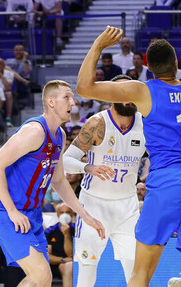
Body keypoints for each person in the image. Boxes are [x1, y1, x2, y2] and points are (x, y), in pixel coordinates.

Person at [77, 23, 181, 287]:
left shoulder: (143, 90)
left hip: (169, 180)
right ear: (176, 62)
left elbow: (84, 87)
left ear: (148, 67)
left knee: (140, 274)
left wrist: (98, 45)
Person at [0, 80, 104, 287]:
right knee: (40, 275)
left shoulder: (60, 135)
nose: (73, 102)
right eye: (67, 97)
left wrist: (85, 215)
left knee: (43, 279)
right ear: (50, 101)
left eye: (72, 97)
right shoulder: (34, 131)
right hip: (9, 213)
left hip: (32, 214)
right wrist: (12, 211)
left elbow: (58, 181)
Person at [61, 74, 145, 285]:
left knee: (135, 269)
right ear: (110, 95)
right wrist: (88, 167)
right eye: (121, 91)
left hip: (128, 206)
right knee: (87, 269)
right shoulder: (97, 123)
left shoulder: (145, 124)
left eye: (131, 91)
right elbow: (66, 160)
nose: (128, 96)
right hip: (93, 206)